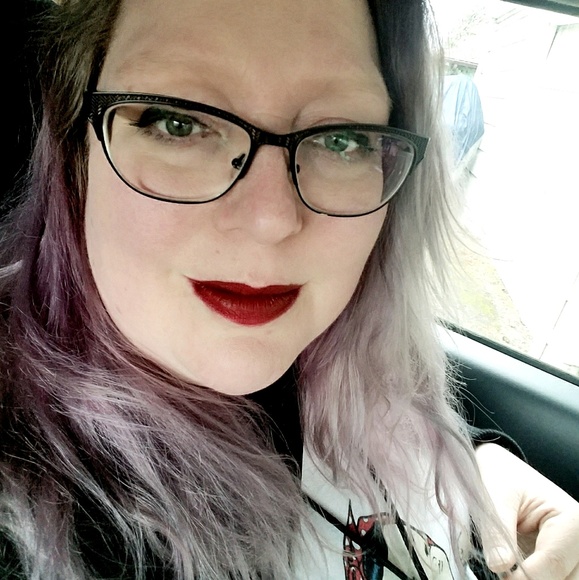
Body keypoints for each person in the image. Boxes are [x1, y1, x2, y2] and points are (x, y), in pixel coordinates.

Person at [0, 0, 578, 578]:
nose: (271, 220)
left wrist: (467, 468)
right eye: (178, 122)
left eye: (342, 140)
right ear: (73, 153)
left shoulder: (349, 357)